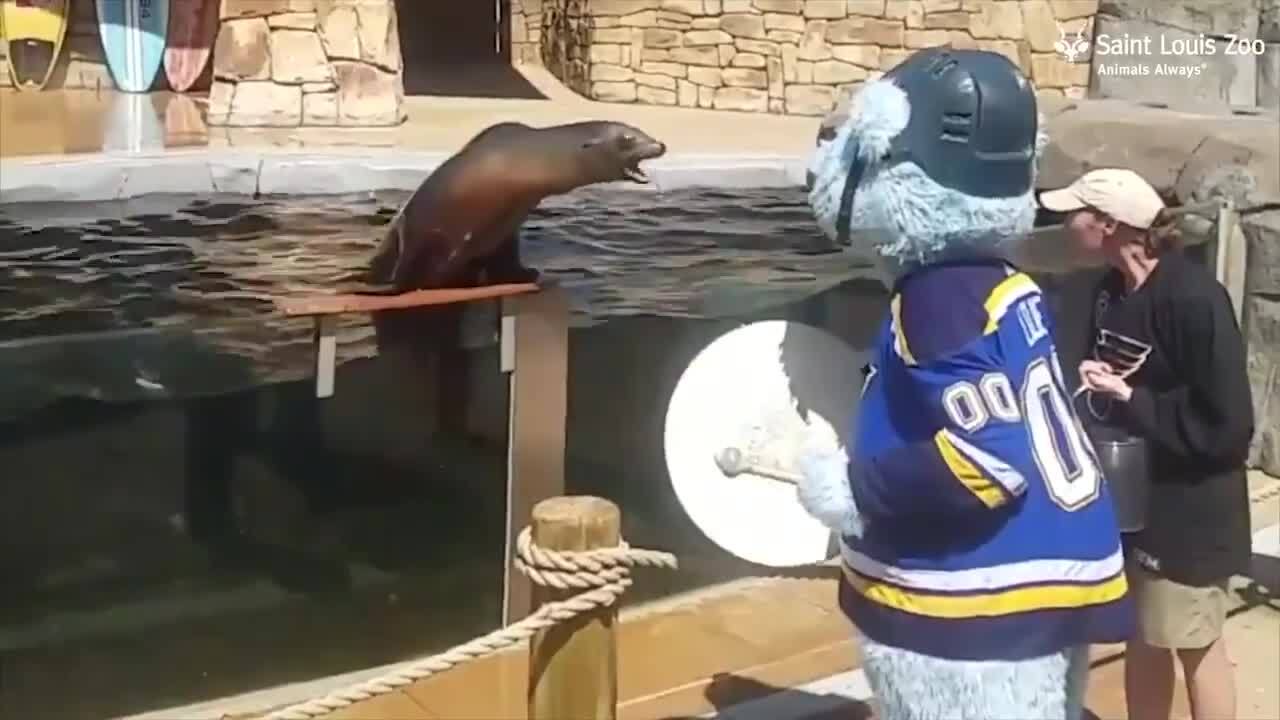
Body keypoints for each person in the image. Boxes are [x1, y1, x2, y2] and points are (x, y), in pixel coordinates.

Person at [1040, 168, 1254, 720]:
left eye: (1075, 214)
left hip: (1190, 513)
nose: (1065, 224)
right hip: (1132, 508)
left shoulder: (1193, 299)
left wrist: (1129, 395)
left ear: (1108, 224)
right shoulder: (1106, 291)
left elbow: (1228, 425)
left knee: (1195, 646)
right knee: (1141, 636)